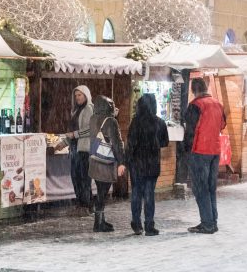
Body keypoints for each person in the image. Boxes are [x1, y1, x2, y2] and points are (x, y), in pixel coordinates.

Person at [184, 77, 226, 234]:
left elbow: (190, 131)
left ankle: (207, 224)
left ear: (193, 90)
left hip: (199, 151)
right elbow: (222, 125)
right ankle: (212, 221)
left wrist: (186, 151)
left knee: (200, 188)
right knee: (210, 187)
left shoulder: (195, 105)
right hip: (215, 151)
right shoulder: (218, 104)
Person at [126, 94, 169, 236]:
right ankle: (149, 225)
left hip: (137, 165)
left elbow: (131, 144)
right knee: (149, 195)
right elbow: (164, 143)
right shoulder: (160, 123)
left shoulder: (135, 122)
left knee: (136, 194)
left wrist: (126, 161)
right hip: (152, 164)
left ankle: (137, 224)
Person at [88, 95, 126, 232]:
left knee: (100, 191)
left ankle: (100, 220)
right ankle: (98, 224)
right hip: (106, 163)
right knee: (103, 193)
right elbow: (116, 143)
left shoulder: (93, 119)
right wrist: (121, 162)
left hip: (94, 160)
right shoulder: (111, 122)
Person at [56, 86, 94, 216]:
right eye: (76, 95)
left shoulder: (88, 109)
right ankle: (82, 205)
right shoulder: (76, 110)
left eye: (80, 95)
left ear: (86, 96)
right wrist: (64, 143)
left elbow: (91, 129)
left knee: (84, 178)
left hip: (84, 148)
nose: (78, 97)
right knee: (76, 177)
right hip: (74, 149)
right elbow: (72, 132)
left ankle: (85, 205)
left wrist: (75, 135)